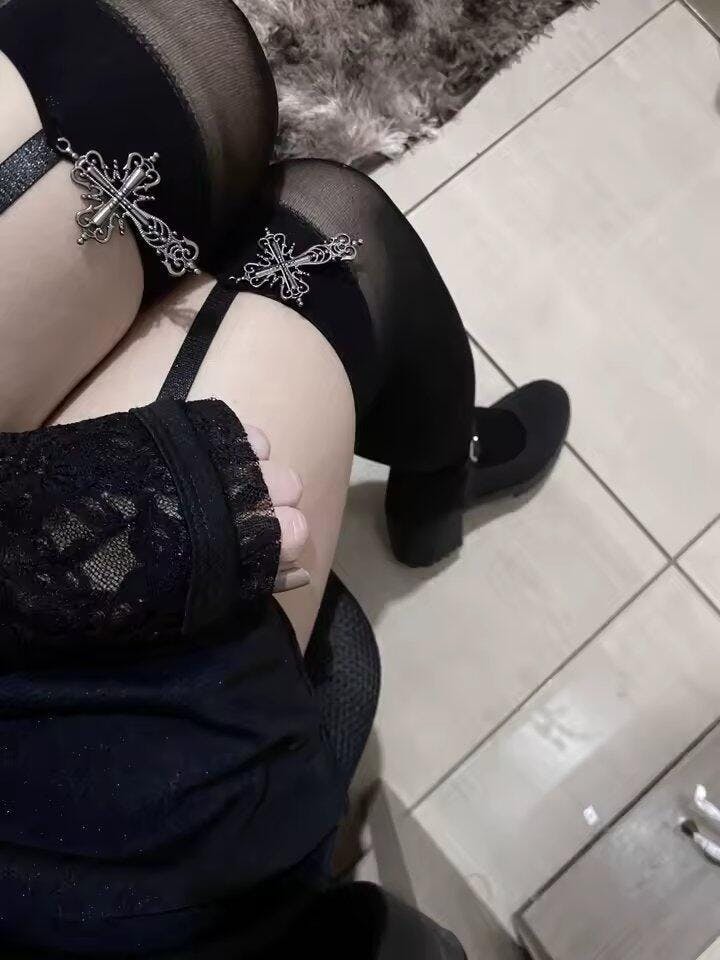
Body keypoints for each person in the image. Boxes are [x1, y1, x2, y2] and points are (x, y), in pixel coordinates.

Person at [0, 0, 570, 955]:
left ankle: (142, 313)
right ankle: (438, 484)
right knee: (328, 233)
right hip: (75, 835)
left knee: (147, 69)